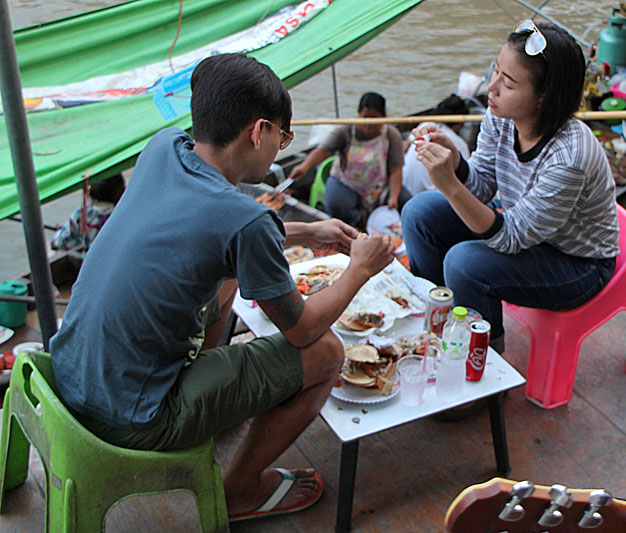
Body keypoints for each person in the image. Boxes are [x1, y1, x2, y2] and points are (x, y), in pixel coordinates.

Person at [49, 53, 395, 522]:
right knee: (328, 353)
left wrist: (309, 232)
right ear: (259, 132)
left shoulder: (162, 149)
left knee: (227, 279)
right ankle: (239, 491)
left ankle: (208, 407)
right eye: (282, 136)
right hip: (135, 417)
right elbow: (302, 330)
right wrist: (360, 268)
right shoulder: (244, 220)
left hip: (71, 374)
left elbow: (211, 227)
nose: (280, 146)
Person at [402, 22, 619, 354]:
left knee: (464, 264)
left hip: (578, 264)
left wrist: (448, 183)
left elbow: (509, 237)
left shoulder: (570, 156)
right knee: (419, 213)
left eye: (509, 83)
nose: (492, 88)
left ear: (543, 98)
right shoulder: (501, 116)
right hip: (528, 233)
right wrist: (456, 161)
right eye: (496, 72)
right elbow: (483, 186)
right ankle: (442, 322)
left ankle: (484, 362)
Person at [287, 92, 408, 226]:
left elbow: (396, 170)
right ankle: (359, 221)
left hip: (379, 184)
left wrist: (393, 198)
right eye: (365, 117)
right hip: (347, 182)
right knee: (337, 204)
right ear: (359, 115)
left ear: (383, 117)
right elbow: (323, 152)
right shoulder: (345, 130)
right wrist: (304, 167)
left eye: (375, 118)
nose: (369, 124)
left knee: (407, 202)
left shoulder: (392, 135)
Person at [401, 94, 471, 196]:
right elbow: (468, 177)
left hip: (404, 185)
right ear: (460, 124)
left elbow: (405, 147)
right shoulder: (459, 144)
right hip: (426, 195)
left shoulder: (424, 125)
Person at [50, 173, 125, 254]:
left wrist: (66, 230)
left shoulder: (83, 215)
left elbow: (59, 243)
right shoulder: (126, 213)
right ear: (121, 192)